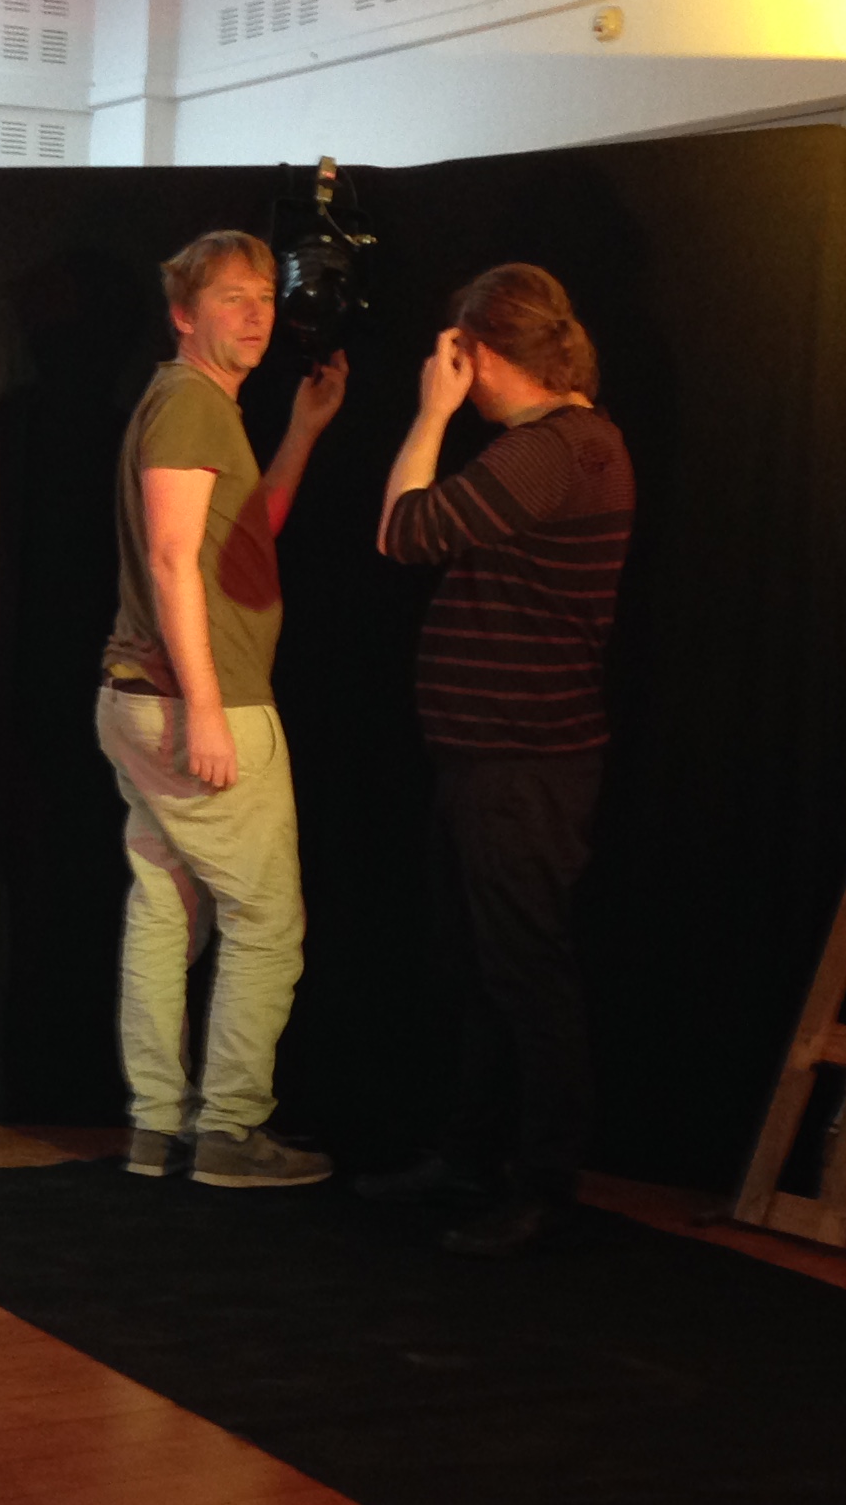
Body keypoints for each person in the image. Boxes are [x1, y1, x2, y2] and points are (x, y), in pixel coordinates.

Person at [369, 263, 634, 1254]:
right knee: (483, 968)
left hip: (522, 762)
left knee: (525, 972)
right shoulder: (567, 444)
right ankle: (470, 1157)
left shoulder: (553, 449)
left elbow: (403, 531)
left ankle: (543, 1184)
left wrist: (431, 413)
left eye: (457, 355)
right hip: (498, 757)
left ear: (477, 353)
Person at [94, 230, 346, 1187]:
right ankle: (230, 1134)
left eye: (265, 298)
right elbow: (171, 562)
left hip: (144, 701)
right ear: (182, 313)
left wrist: (303, 431)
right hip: (194, 704)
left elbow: (241, 540)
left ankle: (157, 1129)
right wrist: (204, 706)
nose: (256, 313)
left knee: (167, 908)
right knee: (267, 920)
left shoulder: (198, 407)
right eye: (232, 297)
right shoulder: (191, 404)